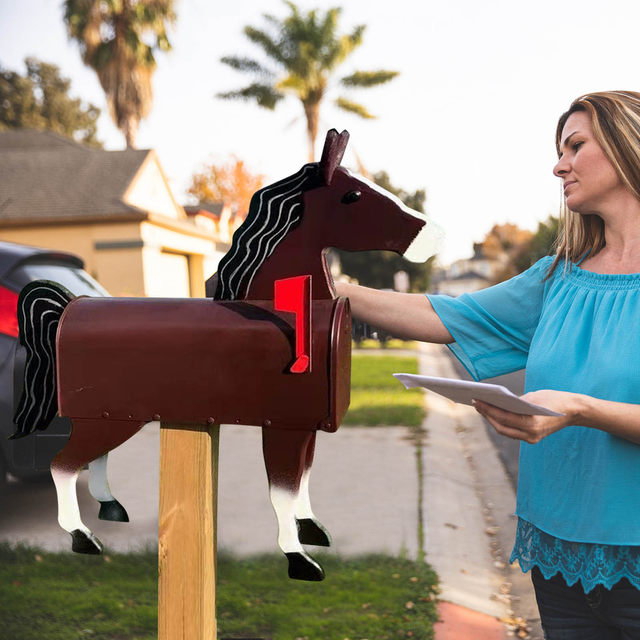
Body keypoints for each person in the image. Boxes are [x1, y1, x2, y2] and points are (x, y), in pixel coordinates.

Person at [335, 90, 640, 639]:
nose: (558, 165)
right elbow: (444, 314)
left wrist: (579, 409)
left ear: (626, 147)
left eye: (575, 146)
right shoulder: (557, 278)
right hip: (557, 558)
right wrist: (336, 290)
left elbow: (583, 408)